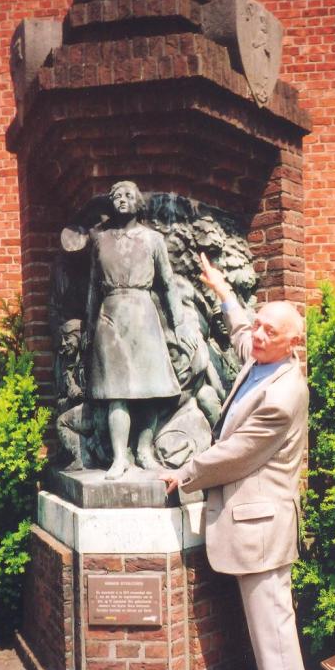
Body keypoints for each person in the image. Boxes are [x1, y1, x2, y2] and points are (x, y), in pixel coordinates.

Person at [160, 253, 314, 670]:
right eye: (262, 327)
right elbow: (242, 330)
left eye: (272, 332)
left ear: (295, 344)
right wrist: (224, 292)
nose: (260, 336)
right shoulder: (262, 357)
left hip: (261, 522)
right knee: (265, 613)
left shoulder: (285, 393)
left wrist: (186, 474)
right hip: (253, 519)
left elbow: (238, 454)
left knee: (270, 615)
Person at [85, 181, 196, 480]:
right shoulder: (100, 240)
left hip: (143, 313)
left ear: (138, 203)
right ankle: (121, 456)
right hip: (110, 316)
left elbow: (169, 284)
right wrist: (88, 326)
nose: (122, 200)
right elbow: (93, 288)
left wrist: (179, 323)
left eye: (128, 195)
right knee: (116, 391)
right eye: (117, 196)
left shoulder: (153, 240)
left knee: (151, 388)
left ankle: (144, 450)